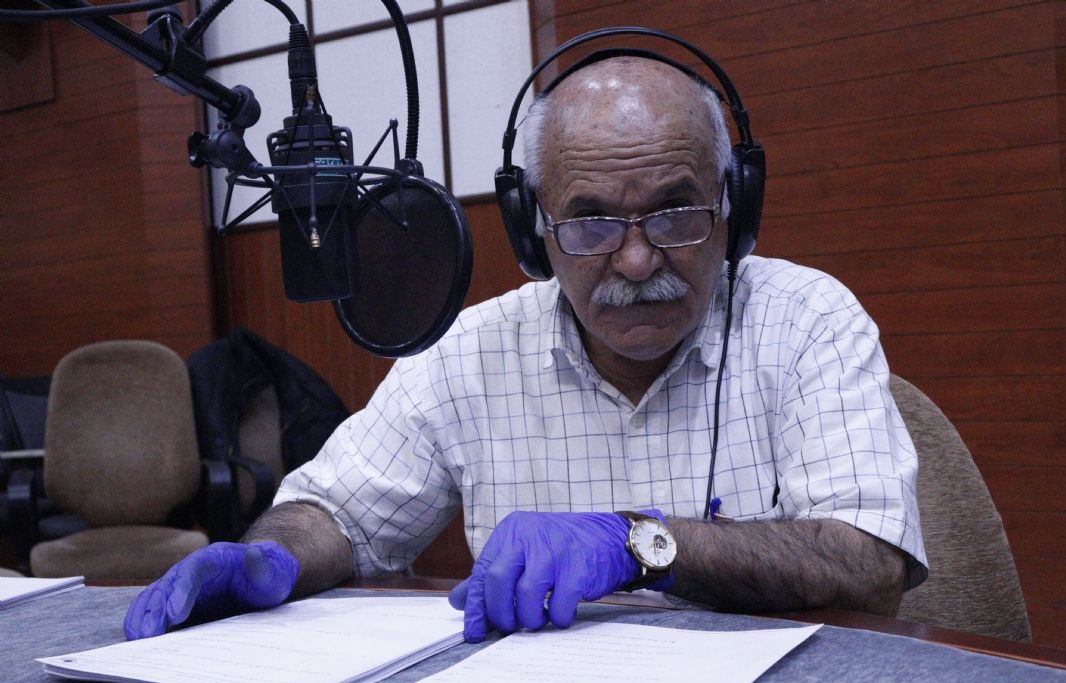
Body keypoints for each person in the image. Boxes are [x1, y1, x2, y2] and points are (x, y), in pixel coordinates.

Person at [124, 55, 927, 644]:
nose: (637, 259)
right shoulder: (471, 352)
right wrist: (272, 554)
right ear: (531, 231)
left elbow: (869, 563)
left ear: (735, 208)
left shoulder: (805, 319)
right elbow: (337, 513)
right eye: (590, 222)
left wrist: (638, 543)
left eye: (676, 214)